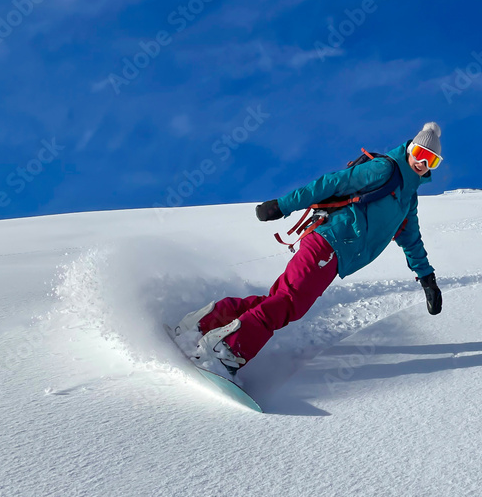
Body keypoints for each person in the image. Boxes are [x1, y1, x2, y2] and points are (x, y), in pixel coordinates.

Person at [170, 122, 445, 381]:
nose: (422, 163)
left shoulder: (408, 201)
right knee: (291, 303)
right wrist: (282, 205)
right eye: (420, 153)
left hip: (336, 252)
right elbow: (332, 183)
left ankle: (202, 325)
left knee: (279, 299)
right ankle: (225, 352)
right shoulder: (385, 170)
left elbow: (411, 241)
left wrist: (427, 279)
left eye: (431, 160)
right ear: (410, 149)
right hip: (330, 241)